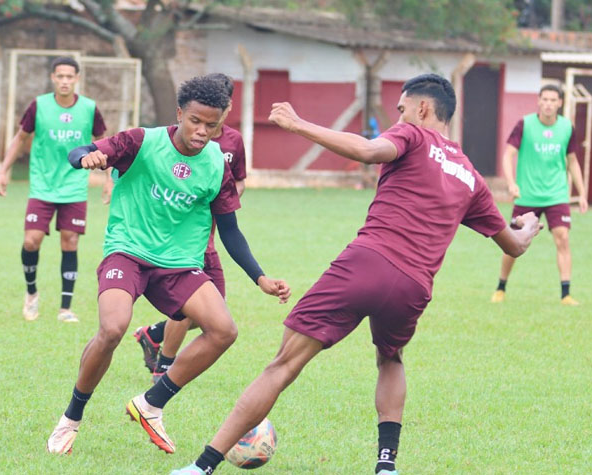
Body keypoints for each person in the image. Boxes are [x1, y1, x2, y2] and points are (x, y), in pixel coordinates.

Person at [171, 73, 542, 475]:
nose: (397, 117)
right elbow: (514, 245)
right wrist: (529, 227)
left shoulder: (413, 135)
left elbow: (368, 150)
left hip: (367, 263)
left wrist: (298, 124)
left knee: (283, 365)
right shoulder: (471, 176)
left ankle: (201, 467)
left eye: (400, 110)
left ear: (421, 109)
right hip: (414, 288)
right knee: (391, 358)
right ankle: (386, 467)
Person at [45, 76, 290, 455]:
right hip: (127, 252)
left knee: (224, 330)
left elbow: (230, 231)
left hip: (178, 265)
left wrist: (260, 277)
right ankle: (71, 418)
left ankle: (150, 404)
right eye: (195, 121)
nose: (202, 131)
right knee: (112, 328)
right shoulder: (142, 141)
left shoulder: (215, 166)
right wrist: (86, 157)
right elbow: (78, 152)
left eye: (212, 125)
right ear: (179, 113)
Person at [133, 73, 249, 383]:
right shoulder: (183, 136)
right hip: (185, 238)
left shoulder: (233, 141)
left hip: (212, 231)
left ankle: (153, 334)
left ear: (228, 107)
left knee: (214, 309)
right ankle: (164, 366)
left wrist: (228, 200)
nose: (206, 126)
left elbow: (238, 178)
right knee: (193, 306)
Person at [0, 56, 107, 323]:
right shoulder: (39, 106)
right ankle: (32, 294)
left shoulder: (90, 109)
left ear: (77, 79)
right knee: (31, 240)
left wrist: (110, 180)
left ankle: (65, 308)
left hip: (75, 187)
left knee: (70, 241)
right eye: (60, 76)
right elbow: (20, 138)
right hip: (43, 186)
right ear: (53, 78)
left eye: (70, 76)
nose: (65, 81)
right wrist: (4, 170)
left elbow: (105, 143)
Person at [490, 84, 588, 306]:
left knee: (563, 238)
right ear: (538, 101)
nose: (548, 104)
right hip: (527, 196)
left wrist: (581, 193)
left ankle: (566, 294)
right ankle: (500, 288)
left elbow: (572, 161)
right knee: (512, 243)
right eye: (544, 99)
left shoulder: (566, 128)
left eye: (553, 100)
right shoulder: (525, 124)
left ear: (560, 103)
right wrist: (511, 183)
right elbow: (508, 156)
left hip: (557, 195)